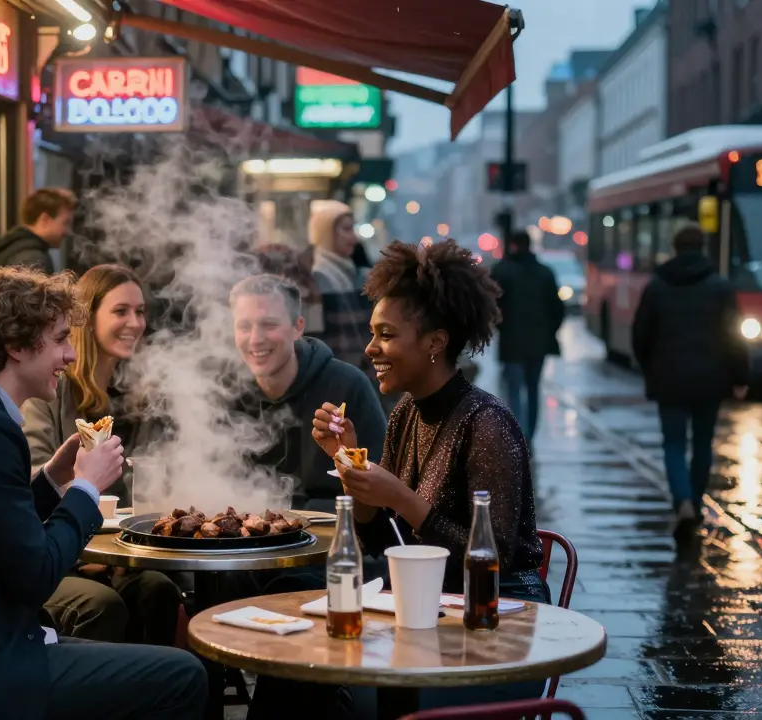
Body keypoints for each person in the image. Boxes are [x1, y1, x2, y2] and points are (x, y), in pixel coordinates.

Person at [0, 266, 207, 720]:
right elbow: (36, 574)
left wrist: (51, 478)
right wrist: (85, 486)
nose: (70, 355)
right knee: (184, 674)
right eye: (61, 338)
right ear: (16, 344)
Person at [256, 240, 548, 718]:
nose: (371, 349)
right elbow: (384, 540)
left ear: (435, 341)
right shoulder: (407, 413)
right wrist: (354, 472)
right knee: (292, 644)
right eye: (373, 333)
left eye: (386, 335)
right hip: (426, 604)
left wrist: (403, 498)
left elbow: (494, 556)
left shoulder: (487, 422)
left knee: (316, 671)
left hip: (497, 623)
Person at [22, 264, 183, 647]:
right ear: (87, 318)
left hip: (125, 550)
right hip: (60, 550)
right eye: (121, 311)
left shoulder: (143, 391)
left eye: (141, 311)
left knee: (159, 589)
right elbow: (32, 479)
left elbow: (158, 476)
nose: (135, 322)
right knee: (104, 603)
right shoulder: (50, 387)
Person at [230, 274, 385, 513]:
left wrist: (348, 458)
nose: (256, 339)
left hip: (331, 538)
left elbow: (379, 487)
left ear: (298, 327)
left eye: (269, 324)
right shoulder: (227, 393)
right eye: (244, 326)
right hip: (243, 542)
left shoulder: (348, 386)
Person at [632, 223, 749, 531]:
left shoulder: (658, 285)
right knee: (702, 442)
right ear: (702, 247)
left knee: (672, 443)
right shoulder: (720, 286)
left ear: (675, 247)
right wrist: (740, 377)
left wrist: (650, 370)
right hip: (710, 380)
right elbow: (734, 336)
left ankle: (682, 499)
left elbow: (640, 335)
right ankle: (695, 503)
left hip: (668, 379)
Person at [489, 230, 566, 446]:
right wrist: (549, 331)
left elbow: (492, 305)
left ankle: (518, 436)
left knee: (514, 390)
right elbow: (557, 309)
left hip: (512, 342)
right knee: (533, 390)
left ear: (512, 245)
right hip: (538, 343)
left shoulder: (502, 272)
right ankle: (528, 436)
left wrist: (500, 327)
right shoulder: (545, 273)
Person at [308, 200, 371, 373]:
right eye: (346, 229)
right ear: (327, 232)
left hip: (358, 373)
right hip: (336, 377)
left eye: (352, 228)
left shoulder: (354, 274)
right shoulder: (315, 279)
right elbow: (313, 339)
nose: (353, 237)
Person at [0, 187, 77, 274]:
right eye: (65, 223)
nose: (68, 231)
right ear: (44, 220)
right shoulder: (33, 260)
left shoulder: (5, 249)